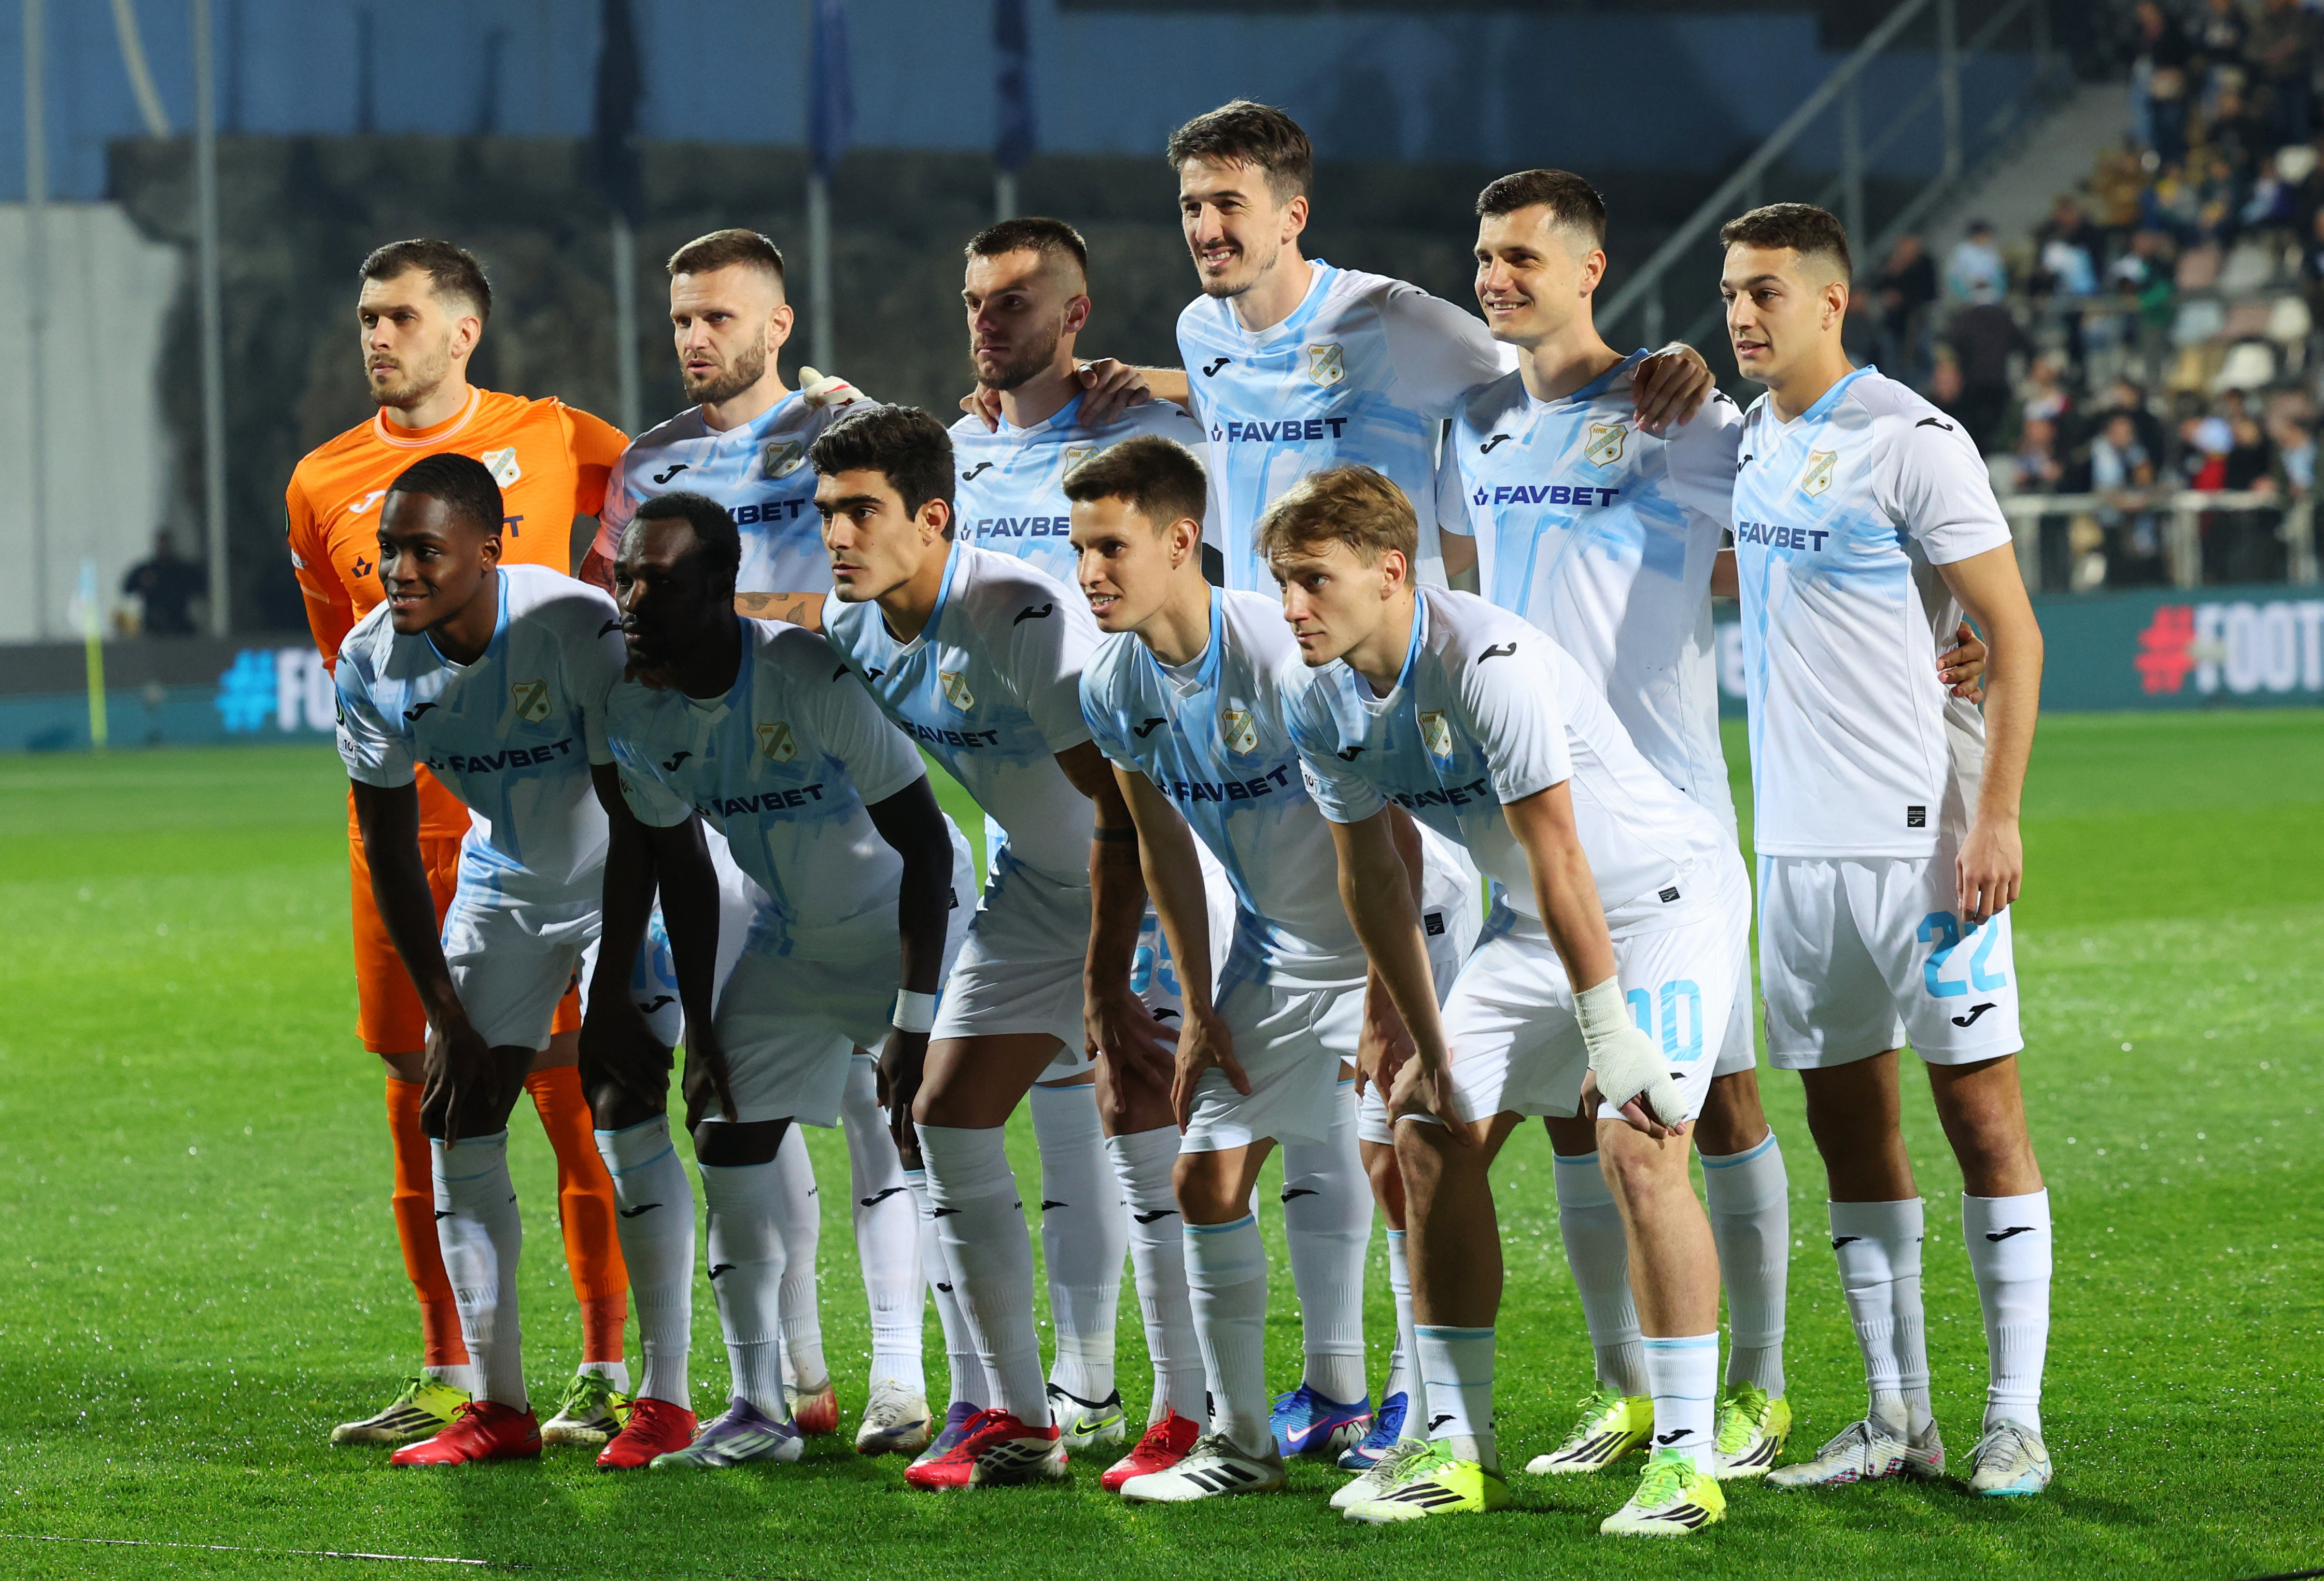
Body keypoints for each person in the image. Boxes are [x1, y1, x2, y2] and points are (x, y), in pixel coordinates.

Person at [1272, 466, 1753, 1536]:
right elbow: (1374, 880)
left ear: (1391, 571)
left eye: (1313, 579)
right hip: (1535, 926)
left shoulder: (1487, 662)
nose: (1291, 606)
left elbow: (1564, 855)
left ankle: (1686, 1457)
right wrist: (1426, 1034)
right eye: (1280, 582)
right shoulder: (1319, 701)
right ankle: (1457, 1443)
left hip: (1663, 902)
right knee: (1424, 1127)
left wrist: (1608, 1033)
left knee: (1638, 1133)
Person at [1066, 435, 1479, 1504]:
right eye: (1081, 550)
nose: (1091, 573)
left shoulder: (1284, 653)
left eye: (1111, 547)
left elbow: (1401, 843)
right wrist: (1200, 1006)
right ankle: (1240, 1447)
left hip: (1405, 921)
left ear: (1180, 542)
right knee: (1205, 1174)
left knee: (1399, 1161)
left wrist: (1391, 1002)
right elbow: (1158, 845)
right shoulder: (1113, 684)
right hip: (1279, 941)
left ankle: (1419, 1413)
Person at [1718, 203, 2052, 1498]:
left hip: (1924, 848)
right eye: (1731, 294)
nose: (1743, 315)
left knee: (1979, 1116)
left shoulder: (1909, 440)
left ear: (1829, 300)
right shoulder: (1746, 437)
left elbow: (2011, 638)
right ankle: (1891, 1413)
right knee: (1848, 1131)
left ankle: (2010, 1417)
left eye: (1764, 293)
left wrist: (1997, 815)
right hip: (1794, 850)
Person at [285, 238, 635, 1451]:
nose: (375, 336)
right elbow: (352, 649)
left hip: (553, 825)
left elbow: (675, 481)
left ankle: (604, 1363)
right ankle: (450, 1365)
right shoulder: (320, 480)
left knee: (576, 1091)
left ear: (462, 330)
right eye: (365, 315)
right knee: (421, 1094)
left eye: (397, 315)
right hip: (406, 833)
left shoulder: (553, 433)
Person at [578, 226, 913, 1452]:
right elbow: (628, 613)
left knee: (882, 1103)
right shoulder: (653, 461)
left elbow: (891, 566)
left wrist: (748, 612)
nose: (694, 338)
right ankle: (789, 1374)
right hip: (717, 804)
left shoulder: (844, 429)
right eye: (680, 319)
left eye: (719, 316)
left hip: (847, 785)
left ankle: (895, 1376)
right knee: (743, 1092)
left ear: (780, 323)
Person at [793, 404, 1165, 1491]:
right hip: (1039, 888)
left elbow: (1131, 810)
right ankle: (1015, 1417)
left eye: (862, 511)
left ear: (935, 517)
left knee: (1160, 1148)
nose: (839, 535)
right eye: (827, 514)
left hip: (1153, 879)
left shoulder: (1016, 612)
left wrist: (1108, 979)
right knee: (945, 1116)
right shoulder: (853, 625)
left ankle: (1193, 1413)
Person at [590, 489, 974, 1470]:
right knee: (725, 1135)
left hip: (909, 923)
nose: (631, 597)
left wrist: (915, 1019)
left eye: (660, 580)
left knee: (930, 1141)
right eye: (627, 575)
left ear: (723, 589)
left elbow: (926, 848)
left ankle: (960, 1395)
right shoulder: (635, 709)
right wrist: (708, 1027)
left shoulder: (802, 673)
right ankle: (757, 1408)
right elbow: (677, 869)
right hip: (791, 937)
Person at [330, 455, 663, 1466]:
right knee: (456, 1108)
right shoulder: (370, 658)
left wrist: (611, 987)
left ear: (489, 549)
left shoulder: (572, 624)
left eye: (424, 550)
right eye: (389, 550)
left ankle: (661, 1395)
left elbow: (634, 808)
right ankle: (499, 1405)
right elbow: (387, 845)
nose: (398, 570)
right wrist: (451, 1017)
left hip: (621, 868)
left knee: (625, 1102)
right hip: (503, 883)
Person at [1163, 99, 1714, 597]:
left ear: (1294, 216)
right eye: (1192, 207)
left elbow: (1541, 373)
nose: (1205, 229)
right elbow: (1249, 395)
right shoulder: (1198, 331)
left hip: (1386, 668)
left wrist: (1668, 361)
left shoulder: (1390, 318)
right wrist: (1132, 381)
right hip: (1260, 661)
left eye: (1228, 204)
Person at [120, 530, 207, 636]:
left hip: (179, 621)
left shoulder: (182, 570)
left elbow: (201, 588)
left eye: (166, 544)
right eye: (162, 544)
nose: (164, 547)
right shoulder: (148, 571)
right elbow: (128, 587)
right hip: (154, 623)